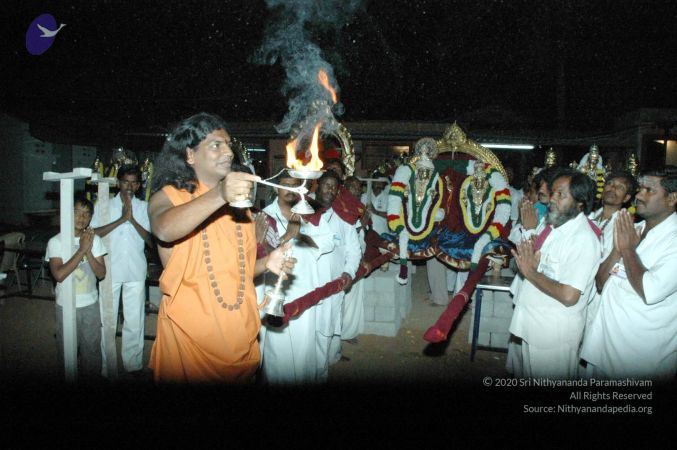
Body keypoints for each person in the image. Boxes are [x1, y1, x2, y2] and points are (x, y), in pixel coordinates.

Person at [147, 112, 293, 384]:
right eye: (216, 145)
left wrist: (267, 263)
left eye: (228, 144)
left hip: (239, 335)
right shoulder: (168, 196)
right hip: (189, 341)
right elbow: (164, 229)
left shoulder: (240, 208)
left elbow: (238, 272)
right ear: (190, 155)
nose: (228, 152)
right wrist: (220, 194)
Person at [580, 167, 677, 381]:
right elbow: (600, 282)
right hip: (604, 346)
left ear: (672, 199)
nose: (639, 195)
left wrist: (628, 250)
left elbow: (650, 291)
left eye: (649, 190)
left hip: (640, 356)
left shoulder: (673, 239)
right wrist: (619, 250)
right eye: (640, 189)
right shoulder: (634, 229)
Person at [508, 168, 600, 379]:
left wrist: (531, 273)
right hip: (534, 325)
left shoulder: (583, 239)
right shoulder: (556, 228)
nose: (552, 199)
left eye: (561, 195)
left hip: (553, 336)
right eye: (553, 193)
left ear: (580, 203)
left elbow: (569, 295)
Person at [257, 171, 335, 385]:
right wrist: (287, 236)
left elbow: (329, 241)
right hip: (277, 292)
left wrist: (301, 236)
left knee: (304, 350)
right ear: (276, 188)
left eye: (295, 185)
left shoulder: (308, 211)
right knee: (278, 352)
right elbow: (261, 253)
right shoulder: (264, 216)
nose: (291, 190)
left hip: (305, 287)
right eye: (286, 185)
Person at [91, 164, 152, 376]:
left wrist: (132, 219)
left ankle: (133, 364)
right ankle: (107, 366)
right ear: (118, 183)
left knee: (134, 320)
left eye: (134, 183)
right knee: (107, 320)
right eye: (125, 182)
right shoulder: (104, 205)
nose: (129, 187)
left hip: (135, 269)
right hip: (109, 269)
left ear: (139, 185)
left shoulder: (144, 207)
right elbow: (93, 233)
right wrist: (121, 220)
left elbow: (150, 240)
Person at [46, 196, 107, 379]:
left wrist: (88, 250)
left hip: (90, 304)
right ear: (68, 214)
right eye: (77, 212)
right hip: (65, 305)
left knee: (92, 350)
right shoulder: (56, 241)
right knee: (67, 353)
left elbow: (101, 273)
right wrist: (81, 250)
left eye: (86, 214)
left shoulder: (95, 240)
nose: (81, 217)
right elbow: (59, 275)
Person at [314, 171, 361, 373]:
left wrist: (348, 272)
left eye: (334, 187)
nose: (330, 190)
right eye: (327, 185)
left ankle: (327, 364)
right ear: (317, 186)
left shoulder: (344, 218)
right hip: (308, 286)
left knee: (331, 327)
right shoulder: (303, 212)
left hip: (334, 286)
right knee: (311, 333)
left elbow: (354, 251)